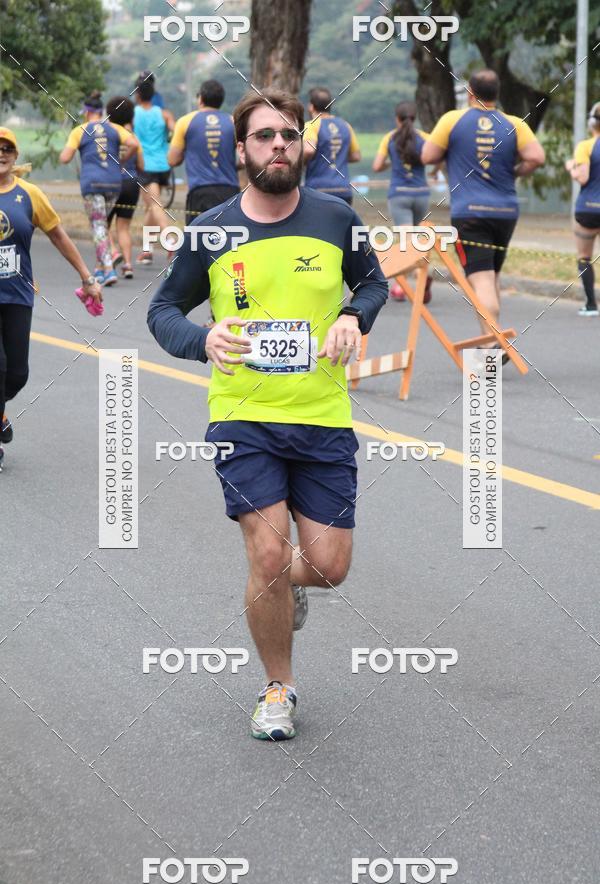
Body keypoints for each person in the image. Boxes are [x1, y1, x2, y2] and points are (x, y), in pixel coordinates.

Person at [147, 89, 387, 741]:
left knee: (329, 565)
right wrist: (204, 340)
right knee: (266, 555)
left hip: (322, 416)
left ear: (302, 145)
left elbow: (374, 282)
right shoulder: (213, 229)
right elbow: (162, 311)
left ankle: (285, 588)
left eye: (288, 134)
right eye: (264, 136)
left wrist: (350, 315)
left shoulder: (336, 217)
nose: (278, 144)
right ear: (241, 149)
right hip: (243, 418)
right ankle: (278, 687)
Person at [0, 127, 103, 469]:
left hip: (18, 294)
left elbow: (58, 235)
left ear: (15, 156)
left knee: (16, 373)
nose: (1, 153)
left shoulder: (29, 195)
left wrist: (87, 277)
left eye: (7, 148)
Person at [422, 70, 545, 346]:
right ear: (496, 94)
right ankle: (491, 338)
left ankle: (492, 342)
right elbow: (537, 157)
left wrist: (450, 157)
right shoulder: (514, 123)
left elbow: (427, 155)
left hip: (470, 213)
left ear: (469, 94)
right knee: (491, 275)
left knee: (481, 280)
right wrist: (515, 171)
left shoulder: (453, 120)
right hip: (505, 212)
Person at [60, 91, 137, 286]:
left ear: (86, 112)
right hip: (113, 183)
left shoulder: (80, 130)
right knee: (101, 226)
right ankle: (100, 269)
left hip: (92, 184)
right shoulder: (114, 128)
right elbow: (134, 144)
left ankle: (109, 269)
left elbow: (65, 158)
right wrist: (121, 161)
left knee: (99, 226)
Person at [373, 100, 434, 302]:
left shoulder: (389, 138)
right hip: (421, 194)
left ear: (396, 118)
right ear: (414, 118)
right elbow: (436, 159)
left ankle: (402, 285)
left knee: (406, 243)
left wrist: (393, 162)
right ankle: (423, 276)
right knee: (416, 240)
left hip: (399, 194)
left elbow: (376, 166)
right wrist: (433, 171)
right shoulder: (425, 138)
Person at [168, 79, 239, 225]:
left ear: (200, 98)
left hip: (200, 192)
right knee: (231, 240)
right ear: (221, 100)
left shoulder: (185, 122)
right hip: (230, 191)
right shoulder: (233, 122)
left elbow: (172, 160)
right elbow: (245, 159)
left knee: (197, 242)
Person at [133, 80, 175, 265]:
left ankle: (172, 242)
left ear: (138, 95)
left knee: (154, 206)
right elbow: (175, 132)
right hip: (163, 165)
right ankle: (146, 250)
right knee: (152, 206)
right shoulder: (164, 114)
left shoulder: (133, 115)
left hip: (145, 166)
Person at [565, 102, 600, 316]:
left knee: (584, 256)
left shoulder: (585, 146)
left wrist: (571, 167)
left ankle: (590, 305)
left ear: (592, 122)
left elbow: (582, 176)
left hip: (587, 209)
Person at [105, 96, 144, 279]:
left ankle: (113, 253)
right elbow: (142, 166)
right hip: (131, 184)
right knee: (124, 227)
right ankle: (128, 265)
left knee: (102, 225)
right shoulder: (132, 137)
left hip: (111, 183)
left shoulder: (107, 134)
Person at [303, 86, 361, 204]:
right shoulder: (345, 125)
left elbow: (308, 150)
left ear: (311, 106)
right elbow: (356, 156)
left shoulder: (311, 125)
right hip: (343, 189)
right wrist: (335, 155)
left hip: (318, 189)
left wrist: (298, 163)